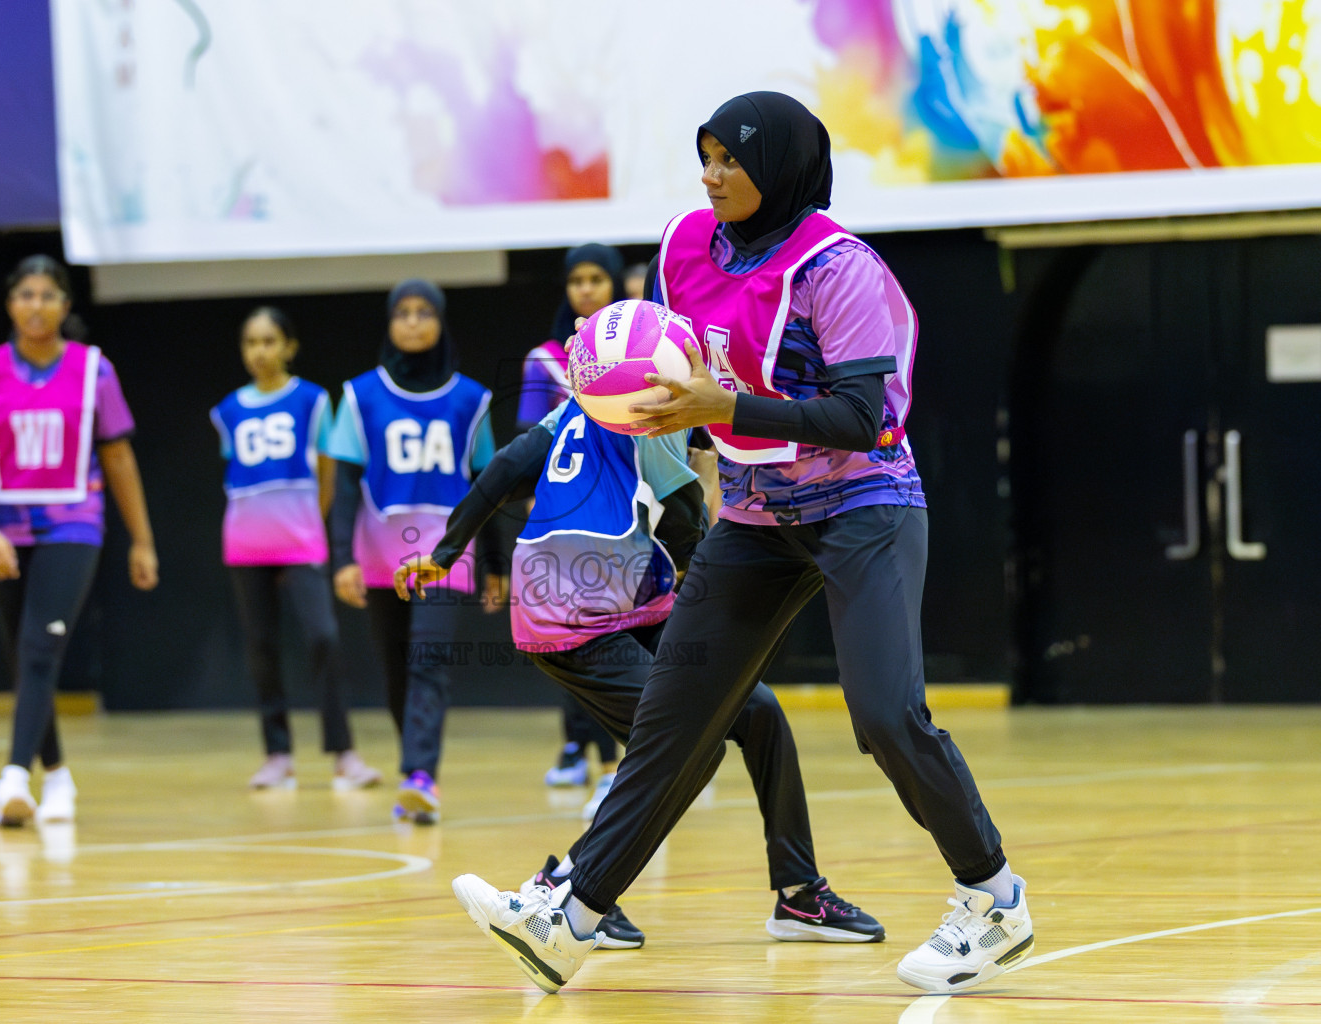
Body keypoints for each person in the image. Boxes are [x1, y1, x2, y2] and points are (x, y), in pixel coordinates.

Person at [451, 92, 1032, 995]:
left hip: (862, 503)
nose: (710, 174)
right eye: (706, 155)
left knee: (883, 713)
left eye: (730, 159)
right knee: (673, 718)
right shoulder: (685, 246)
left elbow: (864, 417)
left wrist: (725, 409)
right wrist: (613, 381)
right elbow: (672, 364)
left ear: (784, 166)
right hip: (757, 517)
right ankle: (571, 917)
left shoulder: (841, 270)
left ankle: (993, 899)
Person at [400, 394, 884, 956]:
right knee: (687, 750)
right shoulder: (655, 414)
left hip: (627, 603)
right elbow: (682, 515)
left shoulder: (578, 408)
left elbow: (504, 468)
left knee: (758, 713)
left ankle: (799, 893)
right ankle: (567, 887)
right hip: (575, 621)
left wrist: (446, 547)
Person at [0, 255, 159, 827]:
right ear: (10, 305)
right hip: (7, 529)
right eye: (25, 295)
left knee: (42, 648)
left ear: (66, 306)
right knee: (26, 659)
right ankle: (61, 777)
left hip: (74, 525)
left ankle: (14, 775)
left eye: (48, 295)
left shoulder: (95, 371)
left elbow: (118, 456)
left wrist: (141, 540)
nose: (36, 306)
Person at [324, 280, 502, 823]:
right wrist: (341, 559)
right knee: (396, 667)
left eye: (424, 312)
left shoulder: (472, 400)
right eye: (402, 313)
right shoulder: (359, 396)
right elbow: (345, 486)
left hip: (448, 554)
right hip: (379, 554)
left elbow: (486, 487)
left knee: (428, 660)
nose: (413, 322)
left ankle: (422, 774)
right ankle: (413, 774)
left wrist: (495, 565)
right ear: (389, 323)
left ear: (441, 321)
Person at [210, 306, 382, 791]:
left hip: (301, 541)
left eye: (269, 341)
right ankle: (277, 753)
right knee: (262, 647)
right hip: (245, 545)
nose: (259, 351)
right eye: (250, 342)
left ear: (288, 347)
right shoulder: (228, 410)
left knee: (324, 637)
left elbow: (327, 471)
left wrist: (311, 521)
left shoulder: (311, 401)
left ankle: (344, 753)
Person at [514, 243, 627, 811]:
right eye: (576, 279)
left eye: (596, 279)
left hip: (621, 517)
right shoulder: (543, 360)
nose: (585, 289)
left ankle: (615, 761)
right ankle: (575, 747)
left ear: (615, 286)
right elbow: (529, 444)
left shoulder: (635, 350)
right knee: (564, 635)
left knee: (610, 633)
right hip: (561, 519)